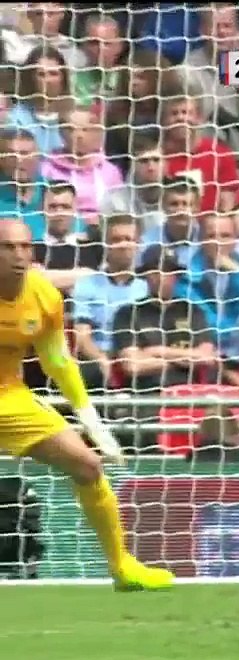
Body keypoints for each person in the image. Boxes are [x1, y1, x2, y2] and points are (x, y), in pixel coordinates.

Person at [0, 219, 171, 590]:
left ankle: (122, 568)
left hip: (8, 398)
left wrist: (90, 419)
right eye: (7, 247)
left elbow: (57, 360)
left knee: (88, 465)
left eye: (24, 247)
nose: (18, 255)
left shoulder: (44, 297)